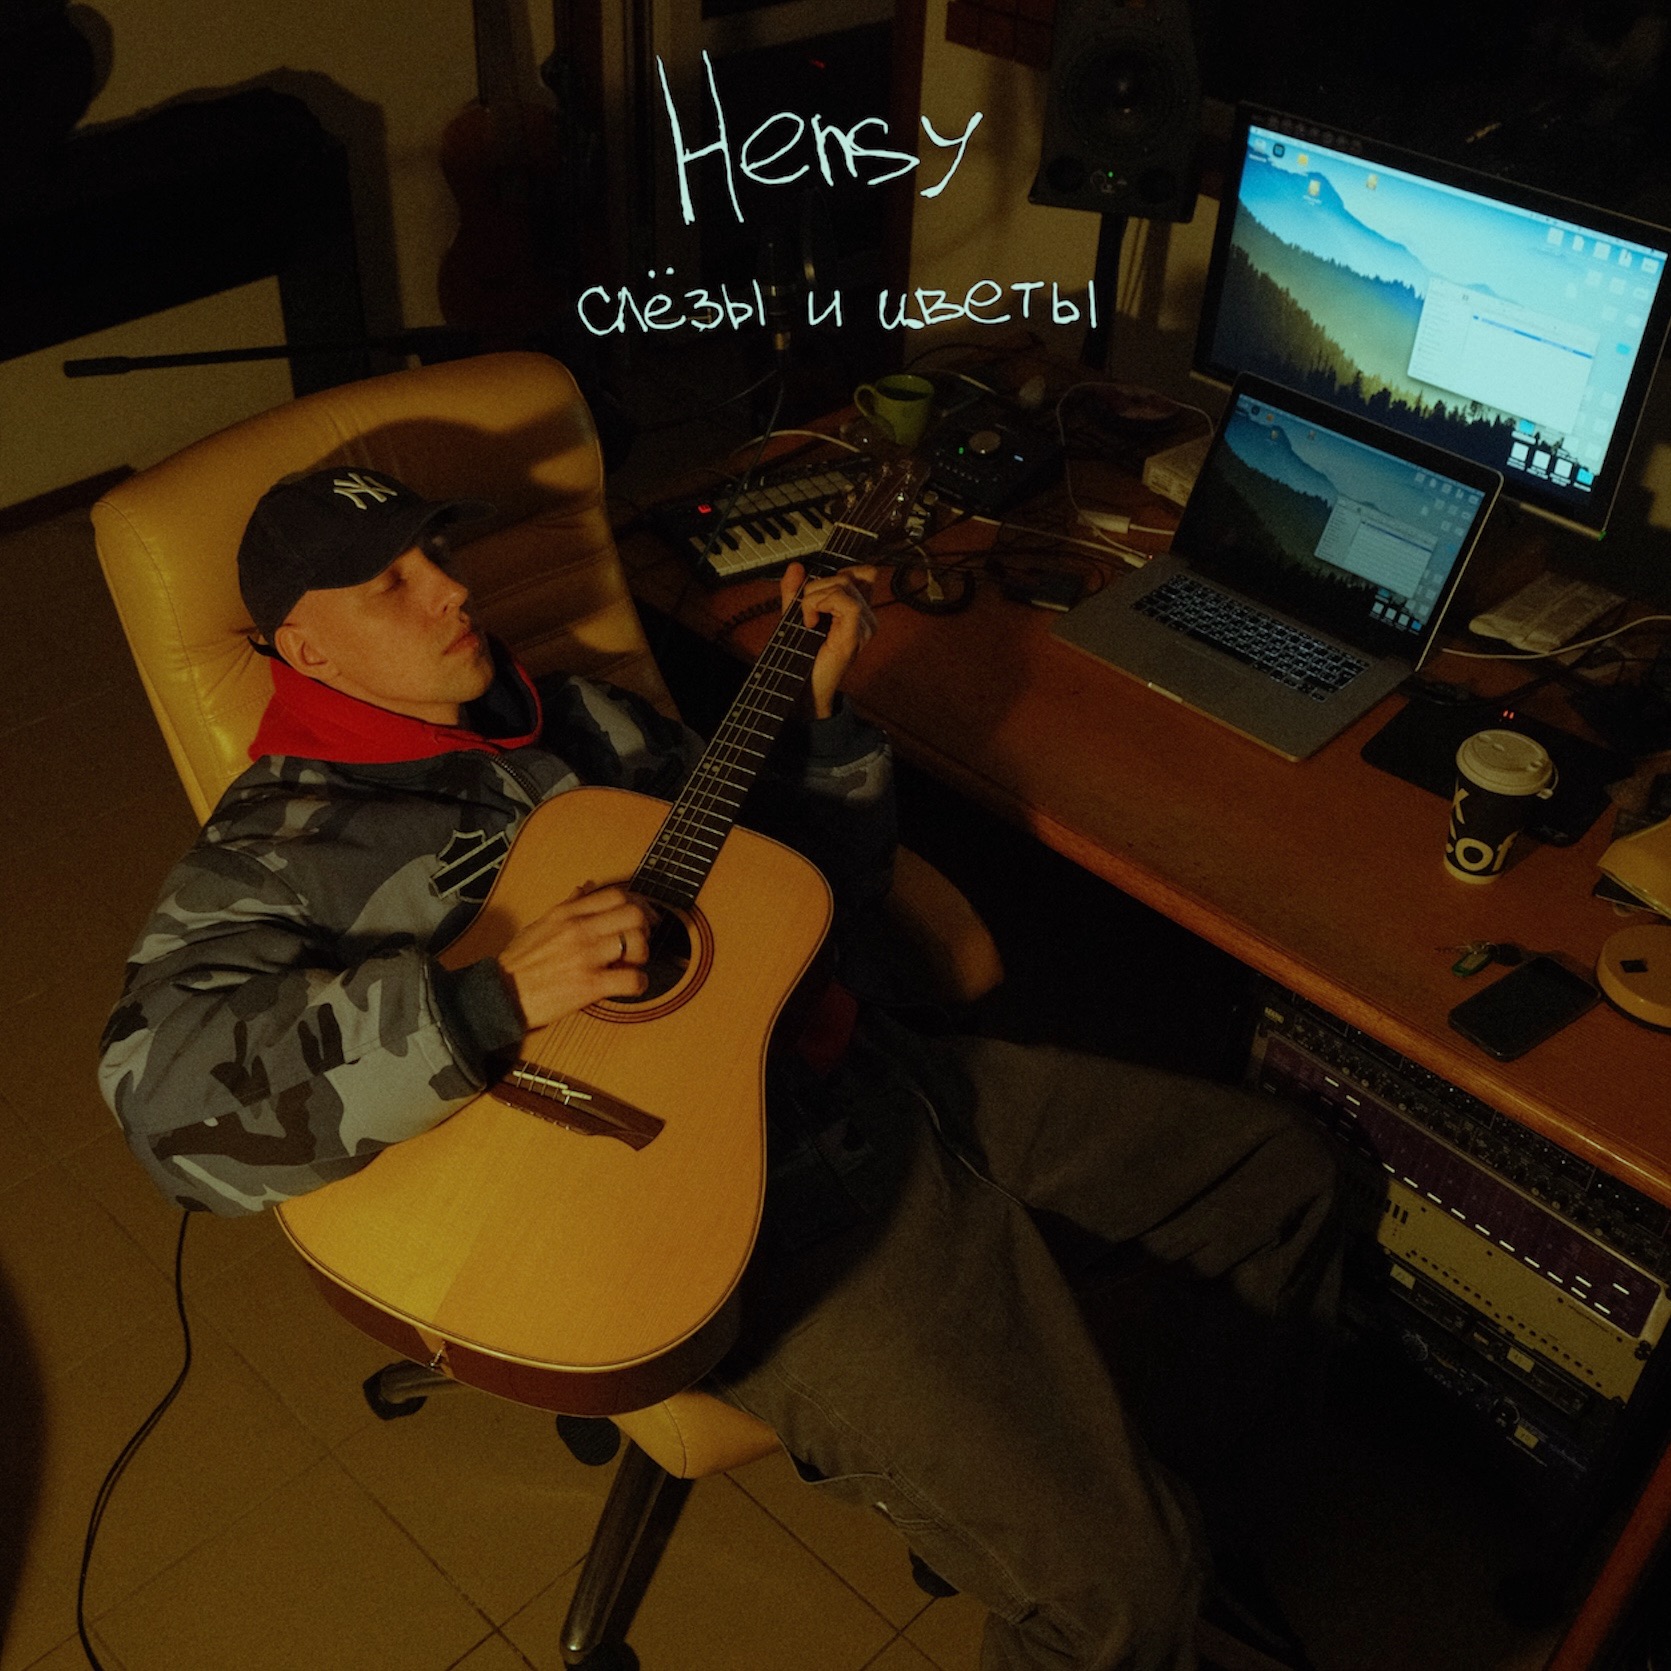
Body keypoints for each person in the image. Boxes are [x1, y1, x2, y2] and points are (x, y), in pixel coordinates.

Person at [99, 465, 1340, 1671]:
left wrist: (826, 724)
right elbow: (165, 1109)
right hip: (740, 1227)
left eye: (439, 554)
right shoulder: (280, 844)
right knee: (1119, 1598)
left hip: (883, 1077)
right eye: (391, 585)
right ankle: (1122, 1562)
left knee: (1284, 1179)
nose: (452, 590)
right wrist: (492, 997)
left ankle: (1148, 1495)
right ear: (307, 651)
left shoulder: (584, 715)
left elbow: (807, 898)